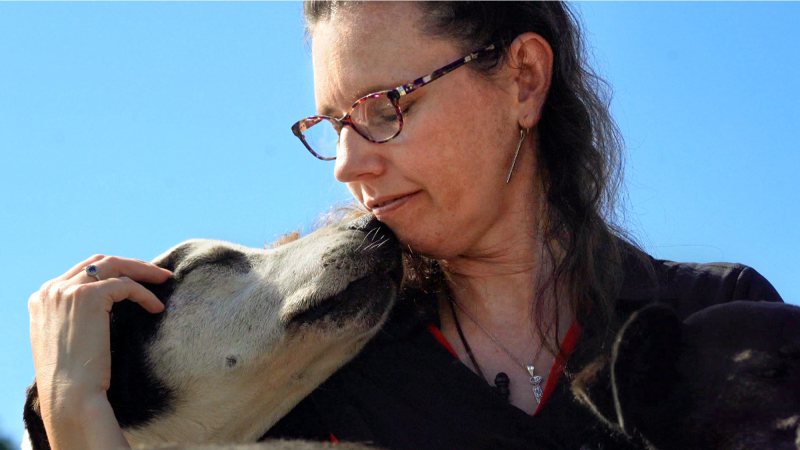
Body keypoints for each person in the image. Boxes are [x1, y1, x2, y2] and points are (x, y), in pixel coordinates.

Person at [28, 2, 783, 450]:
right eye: (332, 124)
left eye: (388, 105)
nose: (346, 163)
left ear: (523, 79)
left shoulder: (719, 322)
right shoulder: (311, 382)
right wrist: (73, 412)